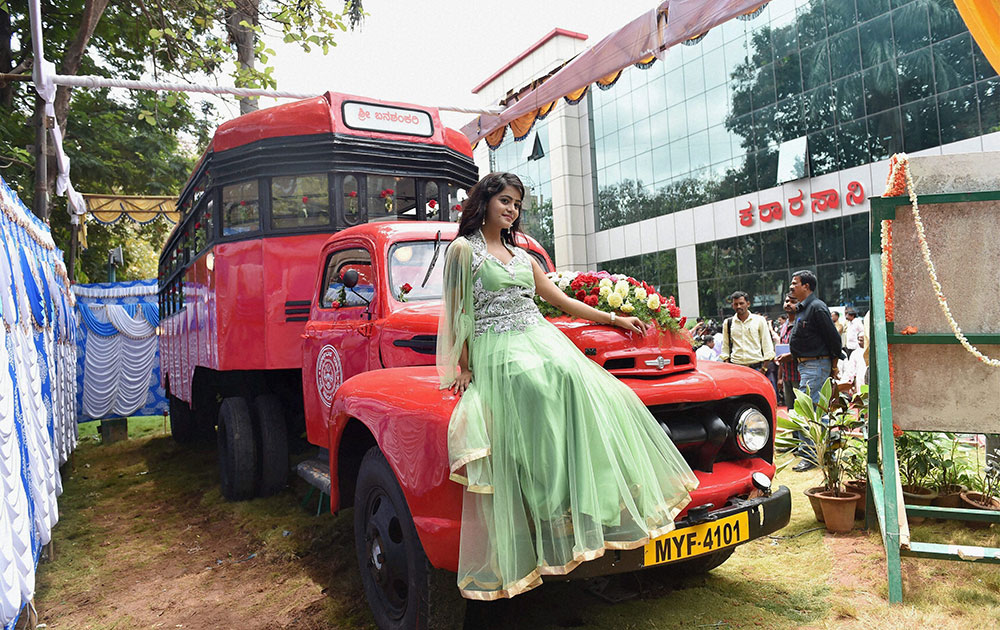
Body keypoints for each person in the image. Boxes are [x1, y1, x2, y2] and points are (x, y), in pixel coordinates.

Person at [438, 172, 698, 600]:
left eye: (517, 205)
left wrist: (615, 318)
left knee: (594, 387)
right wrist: (463, 366)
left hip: (539, 338)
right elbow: (457, 308)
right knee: (538, 387)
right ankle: (546, 504)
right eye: (505, 200)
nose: (511, 210)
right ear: (484, 201)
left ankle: (588, 501)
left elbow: (561, 301)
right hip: (496, 347)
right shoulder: (464, 250)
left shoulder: (524, 258)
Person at [788, 270, 845, 472]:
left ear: (807, 286)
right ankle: (826, 450)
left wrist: (835, 365)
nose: (791, 287)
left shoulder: (817, 308)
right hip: (807, 366)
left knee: (807, 411)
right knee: (816, 411)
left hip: (815, 366)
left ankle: (811, 455)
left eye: (795, 283)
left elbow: (834, 339)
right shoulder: (803, 308)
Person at [719, 291, 775, 374]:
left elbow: (767, 345)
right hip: (736, 368)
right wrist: (727, 365)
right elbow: (725, 346)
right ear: (732, 306)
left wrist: (764, 368)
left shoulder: (759, 320)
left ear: (748, 304)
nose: (738, 306)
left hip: (756, 368)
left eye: (741, 303)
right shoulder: (728, 323)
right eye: (736, 304)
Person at [775, 294, 799, 409]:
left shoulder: (802, 324)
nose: (789, 303)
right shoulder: (784, 326)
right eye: (787, 301)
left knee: (803, 411)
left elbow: (807, 349)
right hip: (787, 376)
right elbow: (781, 352)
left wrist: (791, 356)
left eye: (793, 301)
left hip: (800, 376)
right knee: (790, 409)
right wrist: (780, 377)